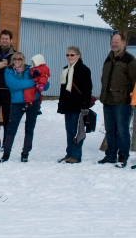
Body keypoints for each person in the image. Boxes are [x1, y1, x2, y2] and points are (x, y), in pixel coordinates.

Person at [0, 52, 49, 163]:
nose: (17, 61)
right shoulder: (8, 71)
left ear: (23, 60)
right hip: (17, 103)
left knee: (29, 128)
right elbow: (13, 84)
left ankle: (25, 152)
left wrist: (42, 84)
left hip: (33, 101)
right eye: (15, 59)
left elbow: (45, 83)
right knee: (11, 127)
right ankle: (6, 153)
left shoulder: (30, 70)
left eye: (20, 59)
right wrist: (33, 82)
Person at [98, 33, 136, 168]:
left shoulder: (129, 60)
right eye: (113, 42)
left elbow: (134, 81)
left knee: (122, 130)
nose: (114, 44)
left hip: (122, 101)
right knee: (110, 130)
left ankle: (123, 156)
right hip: (108, 101)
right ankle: (110, 155)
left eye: (117, 42)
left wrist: (132, 98)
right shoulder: (108, 59)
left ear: (124, 43)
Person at [57, 47, 92, 164]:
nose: (69, 57)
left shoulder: (83, 70)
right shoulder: (66, 70)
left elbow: (87, 90)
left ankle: (76, 155)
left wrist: (84, 106)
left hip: (78, 106)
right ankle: (69, 153)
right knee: (69, 131)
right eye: (67, 55)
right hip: (68, 106)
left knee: (77, 131)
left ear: (78, 56)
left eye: (72, 55)